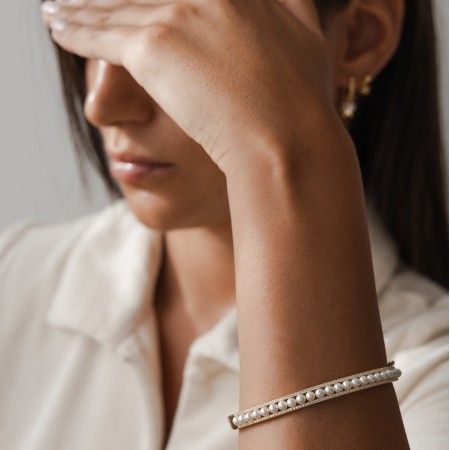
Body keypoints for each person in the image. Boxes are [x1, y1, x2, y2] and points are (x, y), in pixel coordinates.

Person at [0, 0, 447, 449]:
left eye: (173, 29)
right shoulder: (13, 281)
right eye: (95, 30)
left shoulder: (432, 372)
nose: (102, 104)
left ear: (359, 36)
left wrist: (283, 153)